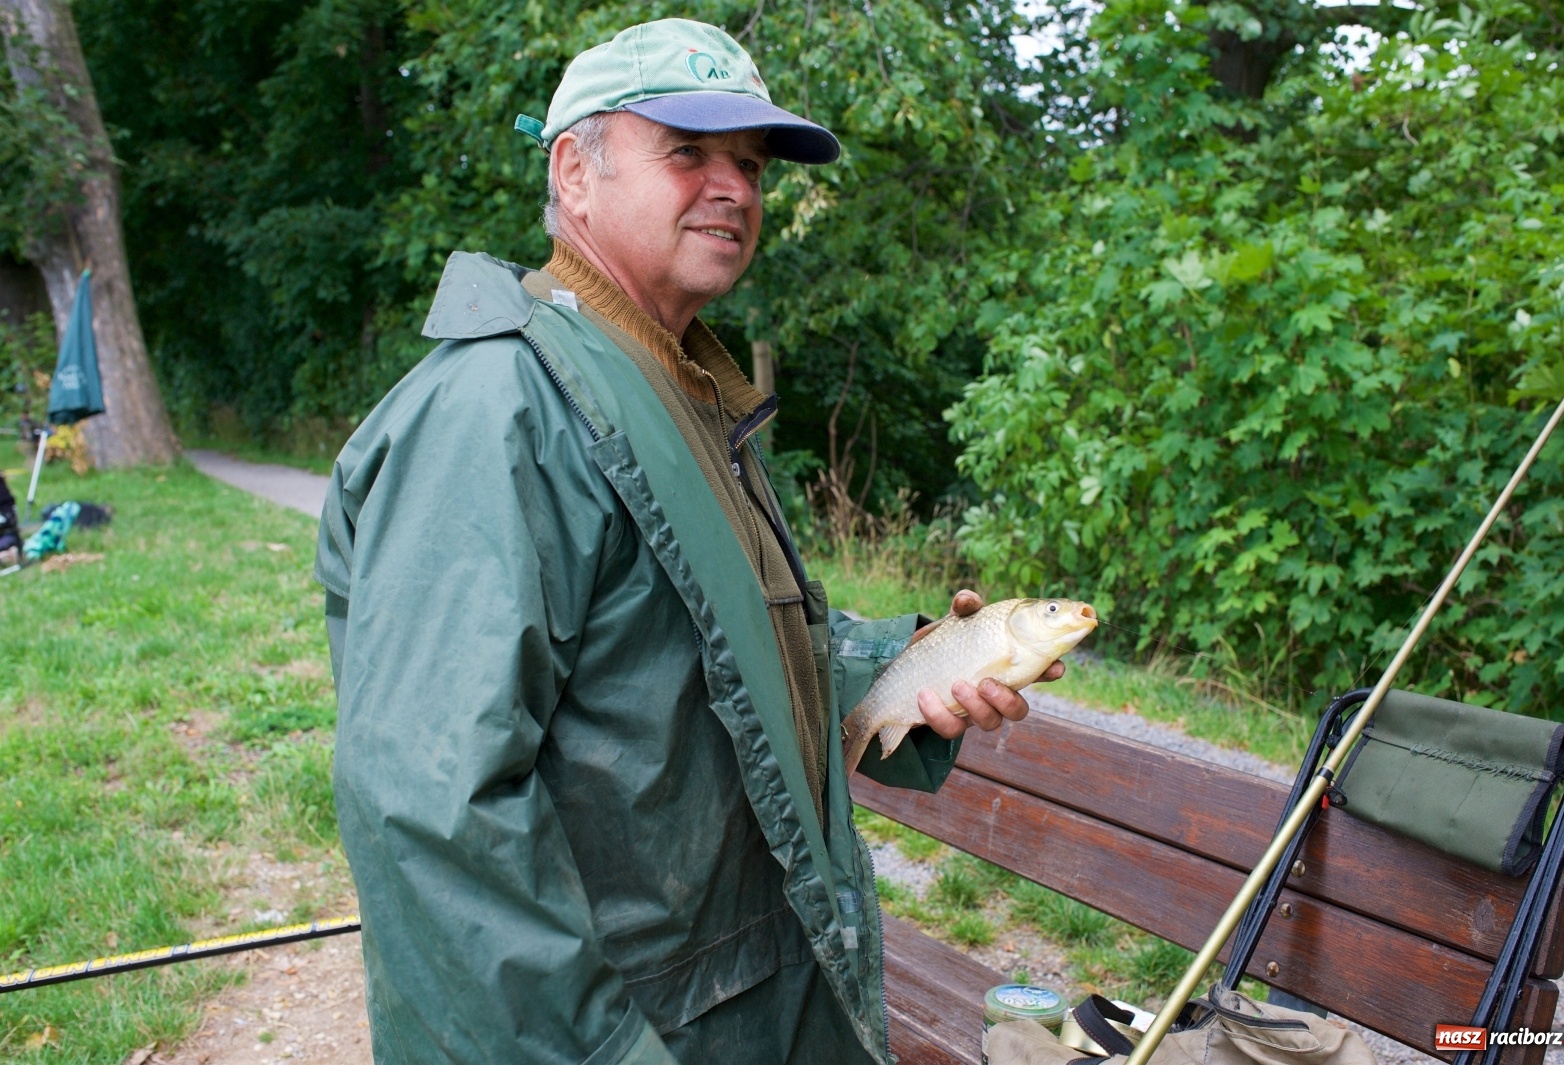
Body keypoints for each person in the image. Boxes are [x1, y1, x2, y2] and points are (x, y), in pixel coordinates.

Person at [315, 18, 1064, 1065]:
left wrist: (902, 673)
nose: (736, 189)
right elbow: (434, 817)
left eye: (751, 165)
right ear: (575, 172)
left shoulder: (675, 383)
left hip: (744, 997)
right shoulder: (497, 413)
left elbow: (685, 642)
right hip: (635, 1027)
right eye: (688, 154)